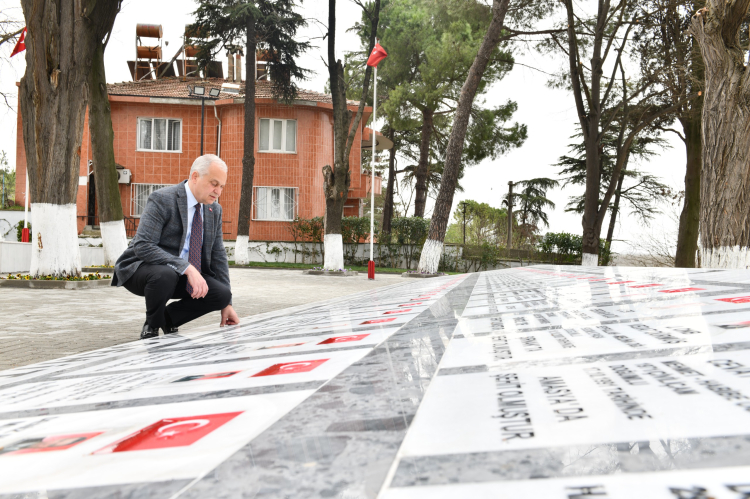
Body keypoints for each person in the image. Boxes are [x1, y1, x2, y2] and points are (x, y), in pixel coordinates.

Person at [113, 154, 240, 339]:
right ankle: (152, 326)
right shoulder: (163, 199)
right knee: (165, 274)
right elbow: (143, 245)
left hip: (182, 275)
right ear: (195, 177)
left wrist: (227, 304)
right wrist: (186, 267)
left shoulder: (214, 210)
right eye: (214, 183)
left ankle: (168, 318)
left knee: (221, 294)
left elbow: (218, 255)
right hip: (142, 269)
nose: (218, 191)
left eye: (221, 186)